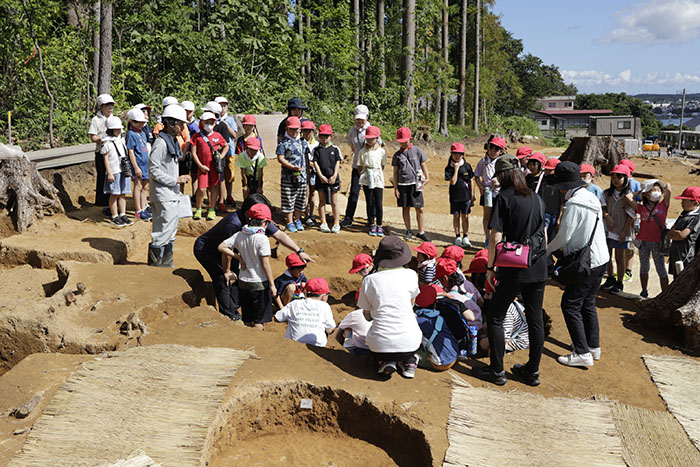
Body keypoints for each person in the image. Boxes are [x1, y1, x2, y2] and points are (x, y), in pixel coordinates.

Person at [475, 154, 547, 387]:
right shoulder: (537, 198)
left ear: (504, 175)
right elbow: (542, 234)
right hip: (538, 265)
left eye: (497, 175)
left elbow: (496, 234)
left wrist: (490, 267)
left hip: (514, 266)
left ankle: (497, 370)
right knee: (535, 317)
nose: (495, 180)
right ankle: (532, 372)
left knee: (495, 316)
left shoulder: (503, 198)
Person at [193, 194, 314, 321]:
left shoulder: (259, 219)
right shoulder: (233, 224)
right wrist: (227, 271)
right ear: (248, 213)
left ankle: (234, 308)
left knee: (237, 274)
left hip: (228, 250)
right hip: (207, 250)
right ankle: (228, 314)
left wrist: (299, 251)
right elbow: (226, 250)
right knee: (223, 279)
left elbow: (279, 235)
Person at [546, 161, 610, 368]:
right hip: (600, 258)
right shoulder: (591, 197)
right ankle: (593, 346)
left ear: (564, 186)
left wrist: (545, 249)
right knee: (588, 303)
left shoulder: (574, 204)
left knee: (570, 304)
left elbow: (564, 237)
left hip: (586, 262)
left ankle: (582, 352)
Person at [357, 236, 422, 379]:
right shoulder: (411, 275)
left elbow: (367, 315)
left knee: (379, 338)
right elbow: (411, 304)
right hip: (411, 343)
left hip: (379, 346)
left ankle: (385, 362)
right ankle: (409, 362)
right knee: (409, 328)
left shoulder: (369, 280)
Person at [218, 203, 276, 330]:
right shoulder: (262, 239)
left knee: (248, 318)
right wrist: (272, 285)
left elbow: (221, 247)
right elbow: (265, 264)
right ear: (264, 222)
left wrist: (238, 257)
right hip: (260, 283)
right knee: (259, 321)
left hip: (244, 282)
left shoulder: (240, 234)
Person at [148, 104, 191, 267]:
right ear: (172, 123)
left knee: (171, 231)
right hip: (163, 194)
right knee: (162, 232)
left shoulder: (170, 141)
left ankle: (166, 265)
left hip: (170, 193)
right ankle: (156, 267)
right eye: (181, 123)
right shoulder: (161, 144)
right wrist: (175, 181)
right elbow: (153, 170)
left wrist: (176, 183)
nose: (183, 127)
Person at [342, 105, 381, 227]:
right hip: (356, 167)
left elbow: (379, 146)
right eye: (358, 119)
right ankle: (348, 217)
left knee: (371, 194)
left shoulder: (371, 130)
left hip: (370, 168)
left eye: (362, 119)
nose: (360, 122)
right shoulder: (352, 131)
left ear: (367, 118)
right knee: (354, 193)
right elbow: (352, 146)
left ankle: (372, 219)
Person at [600, 164, 636, 294]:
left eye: (619, 177)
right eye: (613, 177)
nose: (615, 180)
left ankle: (619, 282)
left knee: (619, 257)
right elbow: (602, 207)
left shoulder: (628, 196)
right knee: (607, 256)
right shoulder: (606, 193)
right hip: (608, 230)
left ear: (626, 178)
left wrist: (624, 232)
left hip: (621, 231)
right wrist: (607, 217)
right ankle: (610, 278)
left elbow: (631, 216)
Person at [392, 127, 430, 241]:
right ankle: (408, 230)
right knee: (405, 208)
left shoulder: (417, 150)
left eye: (405, 141)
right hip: (403, 185)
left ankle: (421, 231)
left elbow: (423, 164)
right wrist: (396, 188)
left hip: (416, 184)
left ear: (410, 139)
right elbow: (395, 172)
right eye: (401, 141)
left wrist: (427, 177)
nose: (403, 143)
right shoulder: (397, 155)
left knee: (420, 208)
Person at [635, 180, 671, 298]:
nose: (656, 192)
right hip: (643, 242)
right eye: (653, 190)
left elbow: (668, 187)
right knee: (644, 266)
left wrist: (659, 185)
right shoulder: (641, 208)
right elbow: (628, 197)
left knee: (660, 267)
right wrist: (641, 192)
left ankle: (665, 294)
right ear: (646, 194)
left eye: (658, 190)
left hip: (657, 242)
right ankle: (644, 290)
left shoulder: (663, 205)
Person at [275, 278, 336, 347]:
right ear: (324, 297)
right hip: (317, 346)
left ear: (305, 292)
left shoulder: (294, 304)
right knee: (326, 327)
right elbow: (331, 329)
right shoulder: (325, 306)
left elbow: (278, 318)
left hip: (294, 344)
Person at [191, 111, 229, 221]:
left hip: (214, 167)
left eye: (211, 122)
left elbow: (226, 146)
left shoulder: (218, 136)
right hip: (203, 167)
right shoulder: (196, 136)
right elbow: (194, 152)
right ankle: (198, 208)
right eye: (206, 122)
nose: (209, 124)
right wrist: (200, 165)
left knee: (214, 187)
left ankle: (212, 208)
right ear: (202, 123)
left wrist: (221, 156)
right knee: (202, 189)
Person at [276, 116, 309, 233]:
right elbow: (280, 158)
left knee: (300, 198)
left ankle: (298, 219)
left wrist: (306, 171)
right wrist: (290, 166)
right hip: (287, 176)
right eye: (291, 129)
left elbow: (306, 157)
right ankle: (289, 221)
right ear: (287, 129)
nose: (294, 132)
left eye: (296, 129)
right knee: (288, 199)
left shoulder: (302, 142)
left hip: (302, 176)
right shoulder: (283, 142)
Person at [101, 116, 133, 227]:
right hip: (114, 171)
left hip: (123, 170)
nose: (119, 131)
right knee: (114, 194)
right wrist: (109, 173)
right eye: (116, 129)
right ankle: (115, 215)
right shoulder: (107, 143)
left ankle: (123, 213)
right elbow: (105, 158)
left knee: (123, 193)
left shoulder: (121, 141)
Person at [474, 136, 506, 244]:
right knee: (487, 216)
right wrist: (481, 188)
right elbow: (477, 176)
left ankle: (498, 239)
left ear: (501, 151)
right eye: (491, 148)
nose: (492, 151)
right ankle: (488, 238)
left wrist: (499, 182)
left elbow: (508, 177)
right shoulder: (483, 162)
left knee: (499, 217)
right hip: (487, 192)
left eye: (496, 150)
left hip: (499, 193)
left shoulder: (503, 162)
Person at [312, 124, 343, 233]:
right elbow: (315, 163)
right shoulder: (316, 149)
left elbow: (337, 162)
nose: (324, 139)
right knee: (322, 201)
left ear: (330, 136)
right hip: (321, 179)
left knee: (334, 201)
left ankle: (336, 222)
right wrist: (320, 176)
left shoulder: (335, 149)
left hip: (333, 179)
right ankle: (323, 222)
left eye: (327, 136)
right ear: (319, 136)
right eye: (322, 136)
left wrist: (334, 175)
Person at [445, 143, 475, 248]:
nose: (457, 156)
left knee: (465, 216)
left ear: (463, 154)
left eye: (459, 154)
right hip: (454, 196)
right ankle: (457, 236)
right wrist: (456, 169)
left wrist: (472, 194)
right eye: (454, 154)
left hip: (466, 196)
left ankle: (465, 236)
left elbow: (471, 180)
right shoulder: (449, 167)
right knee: (456, 216)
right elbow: (453, 182)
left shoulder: (467, 166)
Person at [359, 125, 387, 237]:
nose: (370, 140)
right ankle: (371, 223)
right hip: (367, 177)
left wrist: (377, 174)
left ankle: (379, 224)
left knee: (378, 203)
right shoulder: (362, 151)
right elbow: (360, 165)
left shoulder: (381, 151)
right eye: (368, 138)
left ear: (377, 138)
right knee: (369, 201)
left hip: (378, 178)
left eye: (372, 138)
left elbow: (383, 165)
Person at [88, 93, 115, 208]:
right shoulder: (96, 120)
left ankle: (112, 200)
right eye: (107, 105)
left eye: (111, 105)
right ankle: (101, 202)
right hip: (101, 152)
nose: (110, 108)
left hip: (113, 152)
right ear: (101, 106)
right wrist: (102, 139)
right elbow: (93, 137)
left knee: (113, 174)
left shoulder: (114, 119)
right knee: (102, 176)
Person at [668, 186, 700, 277]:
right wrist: (674, 233)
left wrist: (676, 234)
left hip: (687, 255)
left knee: (685, 277)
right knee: (676, 277)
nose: (682, 203)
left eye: (685, 200)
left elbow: (682, 235)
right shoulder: (684, 213)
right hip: (676, 252)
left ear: (695, 202)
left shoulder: (696, 217)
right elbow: (670, 232)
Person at [126, 108, 151, 221]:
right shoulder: (131, 134)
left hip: (146, 163)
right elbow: (131, 151)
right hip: (138, 164)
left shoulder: (142, 133)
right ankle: (138, 210)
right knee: (138, 185)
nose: (141, 124)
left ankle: (143, 207)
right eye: (138, 122)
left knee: (145, 186)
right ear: (131, 122)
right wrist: (135, 167)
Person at [301, 120, 319, 225]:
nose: (307, 133)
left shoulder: (316, 144)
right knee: (305, 193)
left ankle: (311, 213)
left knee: (312, 193)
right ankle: (305, 214)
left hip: (314, 171)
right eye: (305, 131)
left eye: (309, 131)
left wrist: (313, 165)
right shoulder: (300, 142)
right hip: (303, 171)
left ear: (313, 132)